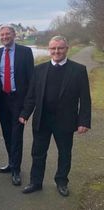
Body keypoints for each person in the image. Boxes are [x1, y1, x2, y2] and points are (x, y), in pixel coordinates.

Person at [20, 36, 91, 196]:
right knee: (37, 153)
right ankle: (35, 182)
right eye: (53, 48)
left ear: (67, 49)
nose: (56, 51)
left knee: (64, 154)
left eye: (60, 48)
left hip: (65, 120)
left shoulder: (79, 70)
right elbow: (31, 95)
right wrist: (25, 113)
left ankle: (61, 182)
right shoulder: (39, 69)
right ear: (49, 49)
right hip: (42, 119)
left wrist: (84, 121)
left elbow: (85, 99)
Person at [0, 24, 34, 186]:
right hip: (3, 99)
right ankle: (11, 163)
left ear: (14, 34)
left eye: (7, 34)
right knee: (7, 133)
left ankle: (16, 169)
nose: (4, 37)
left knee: (16, 135)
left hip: (18, 99)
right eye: (2, 35)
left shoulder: (25, 52)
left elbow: (32, 79)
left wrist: (28, 105)